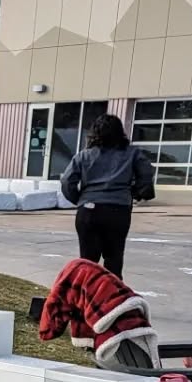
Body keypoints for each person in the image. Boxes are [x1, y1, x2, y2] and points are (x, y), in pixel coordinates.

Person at [60, 112, 156, 278]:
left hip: (88, 211)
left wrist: (79, 200)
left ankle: (87, 293)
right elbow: (147, 174)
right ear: (120, 133)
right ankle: (112, 294)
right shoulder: (132, 154)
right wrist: (136, 192)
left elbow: (67, 181)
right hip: (118, 211)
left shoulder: (84, 155)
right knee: (114, 262)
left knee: (88, 264)